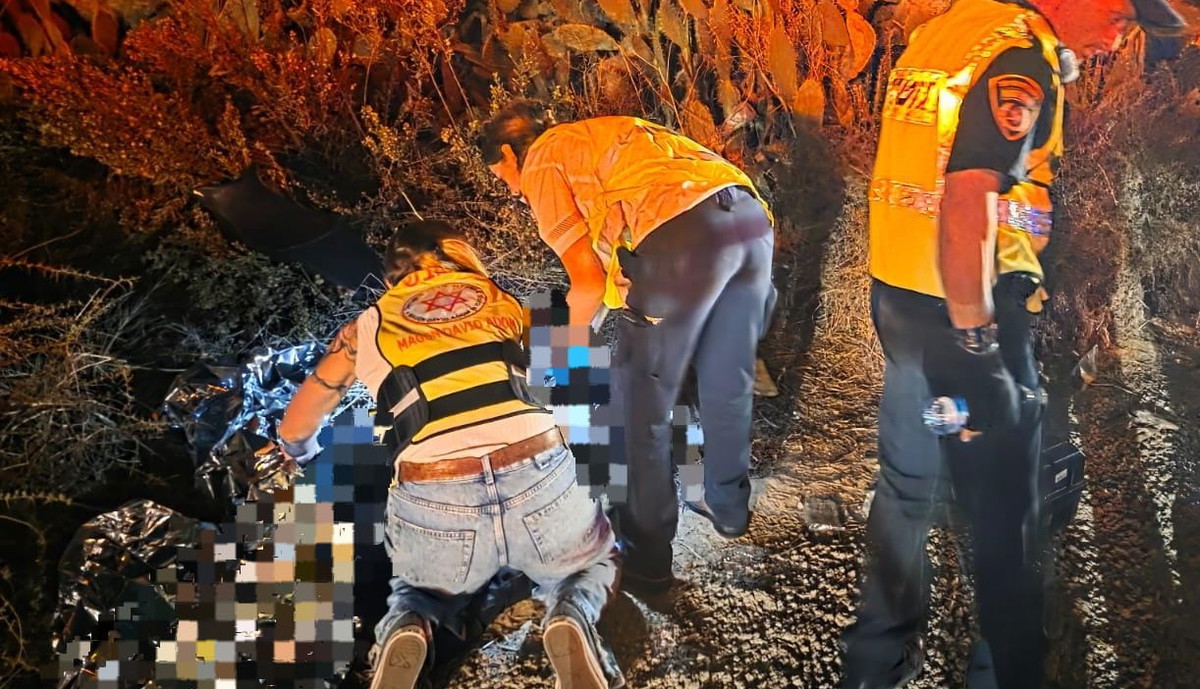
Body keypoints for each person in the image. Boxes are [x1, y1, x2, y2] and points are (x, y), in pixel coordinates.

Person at [842, 1, 1186, 689]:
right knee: (1004, 510)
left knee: (907, 484)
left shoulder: (947, 30)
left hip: (901, 299)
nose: (1118, 35)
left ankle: (876, 660)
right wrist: (978, 344)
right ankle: (1006, 670)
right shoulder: (1021, 57)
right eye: (1118, 14)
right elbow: (969, 197)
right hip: (969, 317)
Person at [272, 220, 625, 689]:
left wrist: (301, 452)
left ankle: (409, 621)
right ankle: (571, 612)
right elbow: (571, 360)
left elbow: (296, 425)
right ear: (458, 251)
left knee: (419, 590)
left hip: (434, 489)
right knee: (591, 565)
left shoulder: (365, 328)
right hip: (536, 469)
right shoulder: (502, 301)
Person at [479, 104, 776, 593]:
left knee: (639, 411)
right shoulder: (607, 135)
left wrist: (556, 359)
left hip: (683, 236)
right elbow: (606, 278)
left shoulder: (543, 160)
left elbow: (586, 281)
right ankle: (728, 508)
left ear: (511, 154)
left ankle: (646, 563)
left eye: (502, 175)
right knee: (727, 379)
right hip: (748, 221)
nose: (512, 189)